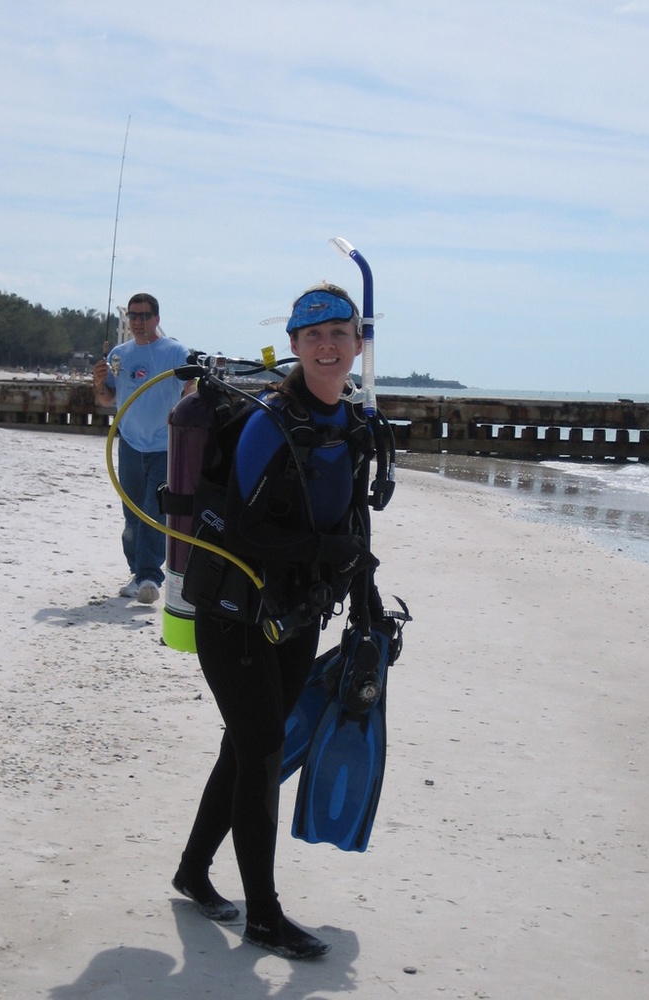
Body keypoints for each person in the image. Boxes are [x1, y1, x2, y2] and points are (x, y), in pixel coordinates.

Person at [172, 282, 384, 959]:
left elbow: (352, 521)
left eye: (339, 335)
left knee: (246, 745)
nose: (327, 347)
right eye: (312, 336)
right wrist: (327, 552)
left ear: (357, 344)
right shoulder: (269, 421)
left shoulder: (350, 422)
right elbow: (238, 528)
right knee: (262, 751)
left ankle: (191, 871)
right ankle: (262, 914)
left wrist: (363, 596)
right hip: (233, 611)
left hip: (298, 611)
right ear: (294, 345)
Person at [93, 293, 189, 604]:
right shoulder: (119, 354)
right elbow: (106, 399)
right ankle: (138, 572)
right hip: (130, 445)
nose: (137, 322)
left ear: (157, 319)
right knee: (131, 513)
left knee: (155, 512)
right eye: (133, 316)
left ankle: (150, 575)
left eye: (145, 316)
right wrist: (98, 383)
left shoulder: (174, 351)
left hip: (165, 447)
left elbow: (191, 387)